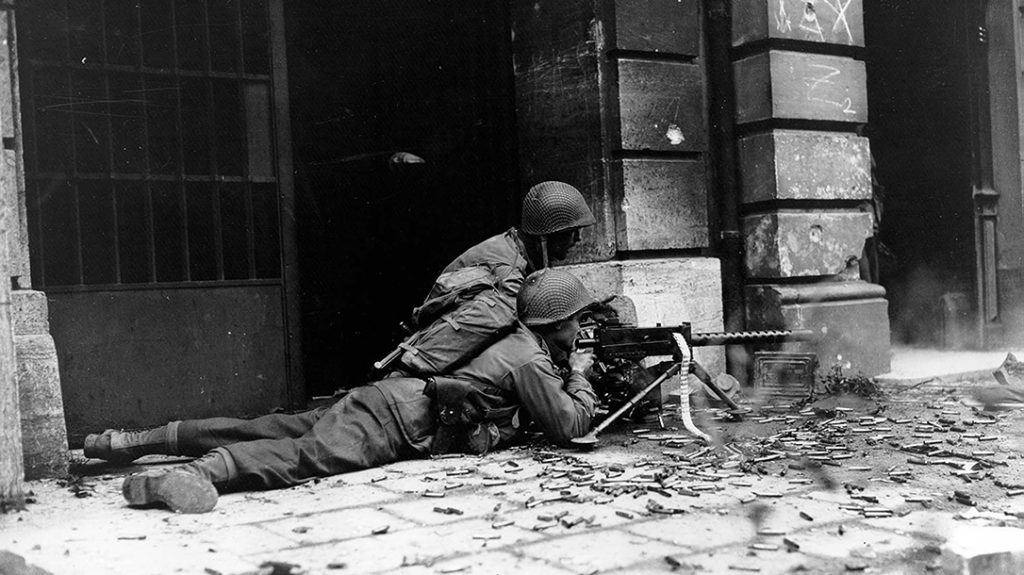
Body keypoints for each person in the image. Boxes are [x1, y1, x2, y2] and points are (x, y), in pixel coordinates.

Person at [84, 269, 599, 514]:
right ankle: (196, 474)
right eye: (577, 320)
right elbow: (570, 427)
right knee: (302, 456)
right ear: (556, 323)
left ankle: (131, 441)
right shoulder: (531, 358)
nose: (580, 329)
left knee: (266, 427)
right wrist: (578, 372)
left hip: (388, 398)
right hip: (396, 421)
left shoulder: (514, 339)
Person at [382, 180, 595, 375]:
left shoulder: (512, 246)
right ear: (546, 237)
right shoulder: (508, 279)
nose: (577, 239)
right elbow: (528, 340)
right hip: (430, 362)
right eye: (571, 232)